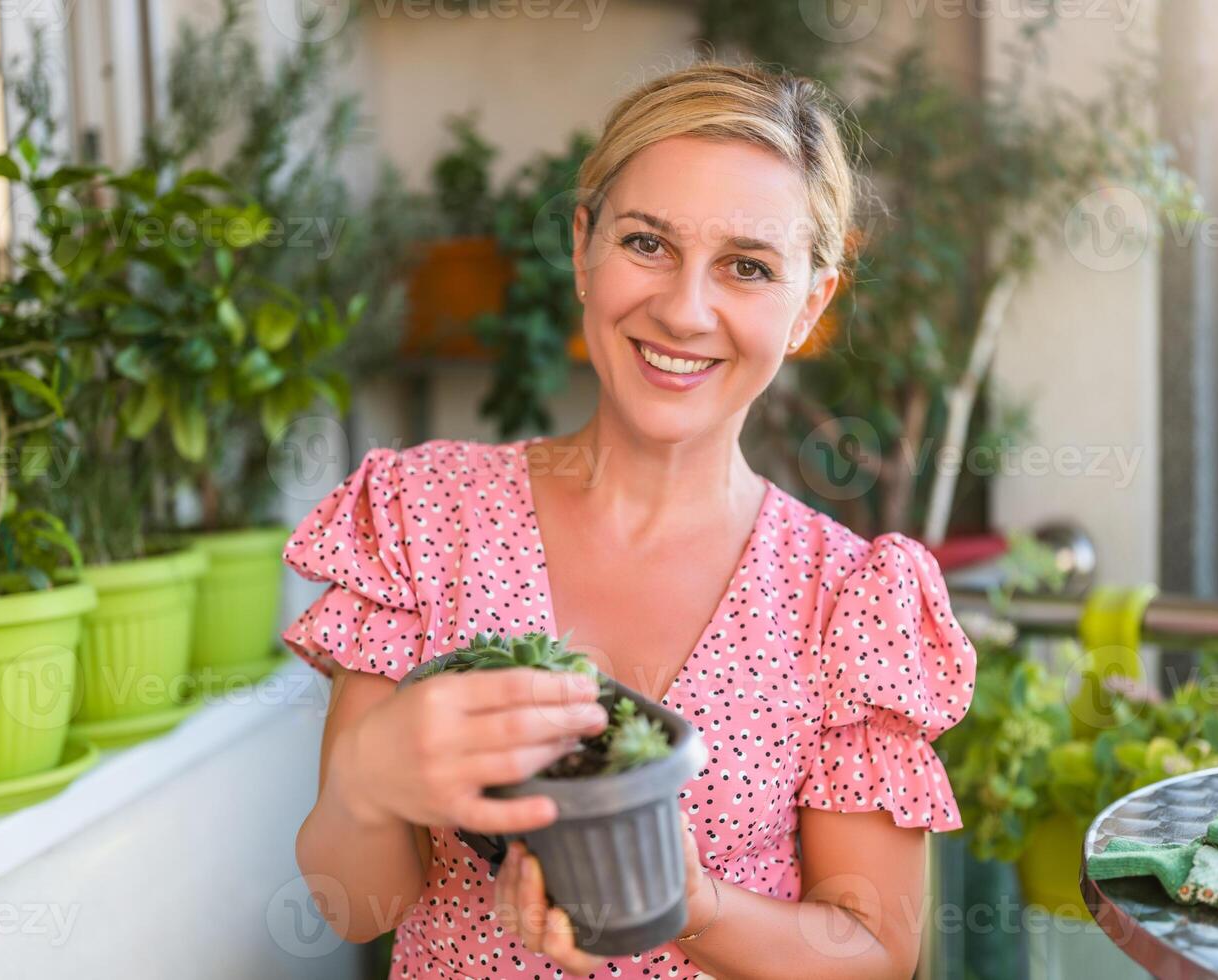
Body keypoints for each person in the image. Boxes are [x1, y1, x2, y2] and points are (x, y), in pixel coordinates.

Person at [280, 60, 978, 980]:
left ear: (810, 303)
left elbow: (876, 952)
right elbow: (354, 906)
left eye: (748, 267)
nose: (684, 310)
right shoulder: (422, 518)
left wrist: (690, 906)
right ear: (582, 247)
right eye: (647, 243)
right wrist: (367, 787)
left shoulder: (847, 598)